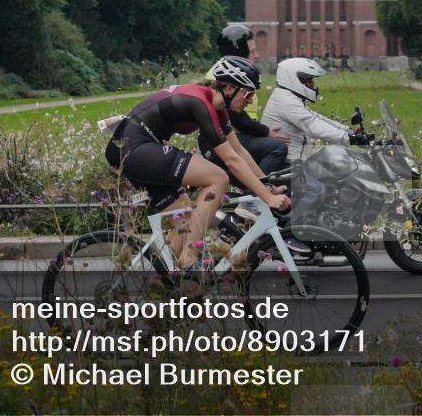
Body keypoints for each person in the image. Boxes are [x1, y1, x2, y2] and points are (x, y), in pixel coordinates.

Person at [105, 56, 291, 273]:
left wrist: (267, 186)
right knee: (217, 178)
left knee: (184, 225)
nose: (251, 99)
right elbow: (231, 160)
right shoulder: (200, 102)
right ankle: (189, 260)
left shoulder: (217, 108)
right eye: (248, 93)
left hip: (134, 149)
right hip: (132, 148)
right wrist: (267, 198)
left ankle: (166, 285)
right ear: (230, 88)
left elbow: (239, 150)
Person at [202, 25, 289, 174]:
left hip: (237, 136)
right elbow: (236, 117)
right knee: (278, 148)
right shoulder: (224, 77)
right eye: (252, 51)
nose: (257, 56)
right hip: (226, 139)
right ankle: (258, 192)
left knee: (285, 170)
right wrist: (264, 131)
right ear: (237, 53)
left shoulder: (229, 72)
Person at [261, 58, 358, 162]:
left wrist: (348, 131)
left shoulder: (287, 97)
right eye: (309, 80)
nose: (313, 85)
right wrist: (349, 138)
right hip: (287, 165)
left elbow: (316, 117)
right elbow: (313, 125)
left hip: (296, 161)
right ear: (295, 80)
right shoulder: (286, 101)